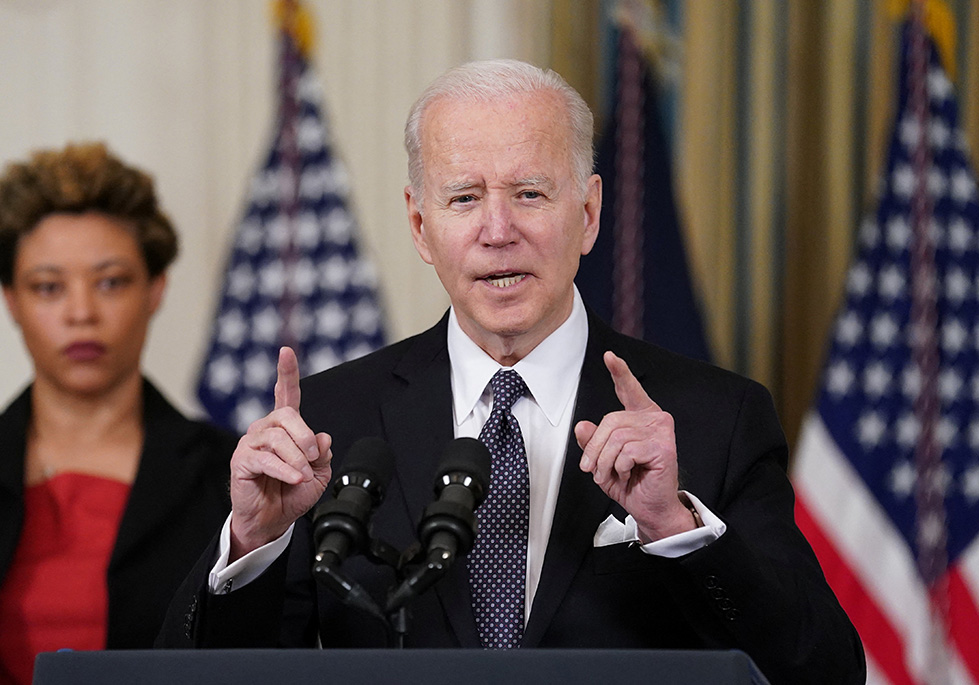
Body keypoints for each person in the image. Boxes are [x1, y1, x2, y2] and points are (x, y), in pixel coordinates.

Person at [159, 60, 865, 684]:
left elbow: (822, 670)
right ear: (419, 226)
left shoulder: (714, 418)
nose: (499, 230)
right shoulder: (332, 420)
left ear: (588, 214)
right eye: (464, 198)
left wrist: (673, 526)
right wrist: (252, 542)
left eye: (529, 193)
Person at [0, 143, 236, 684]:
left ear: (155, 290)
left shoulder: (226, 477)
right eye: (48, 287)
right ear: (12, 301)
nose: (81, 313)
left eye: (110, 282)